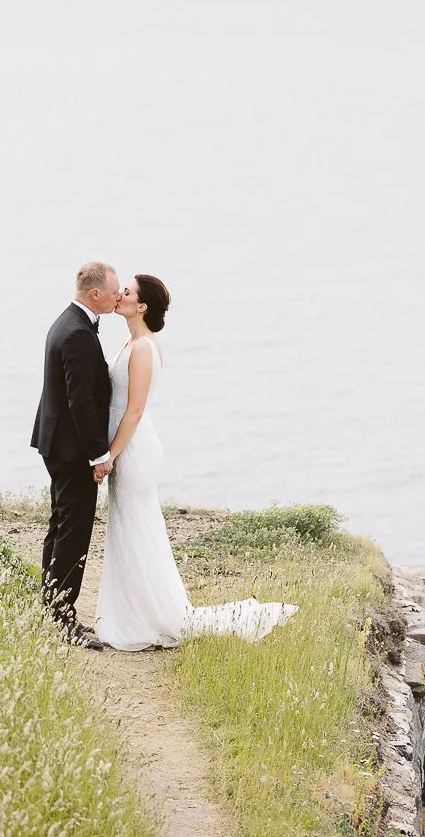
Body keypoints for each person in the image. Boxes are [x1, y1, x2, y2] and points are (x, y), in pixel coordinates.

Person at [95, 274, 298, 651]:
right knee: (128, 530)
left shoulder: (143, 349)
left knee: (137, 530)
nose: (119, 293)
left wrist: (110, 454)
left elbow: (135, 411)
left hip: (134, 448)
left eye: (128, 291)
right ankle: (132, 614)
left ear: (142, 306)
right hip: (126, 444)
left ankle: (152, 617)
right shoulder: (130, 341)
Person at [30, 261, 119, 649]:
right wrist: (99, 455)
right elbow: (79, 400)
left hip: (57, 441)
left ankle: (51, 608)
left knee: (61, 523)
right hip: (71, 449)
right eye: (113, 290)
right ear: (95, 294)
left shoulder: (68, 322)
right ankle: (62, 617)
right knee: (74, 530)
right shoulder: (78, 333)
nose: (118, 296)